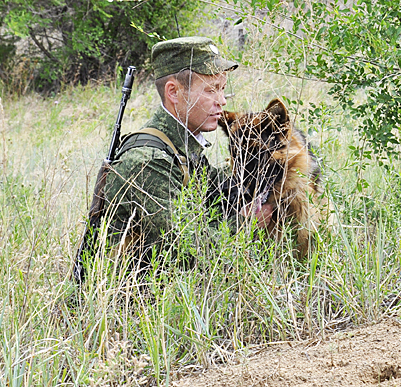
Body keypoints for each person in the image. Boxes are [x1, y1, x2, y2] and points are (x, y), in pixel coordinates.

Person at [98, 36, 271, 269]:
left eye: (222, 89)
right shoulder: (149, 162)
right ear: (174, 93)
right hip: (139, 301)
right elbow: (188, 251)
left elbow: (220, 190)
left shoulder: (183, 147)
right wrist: (246, 223)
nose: (221, 101)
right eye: (211, 90)